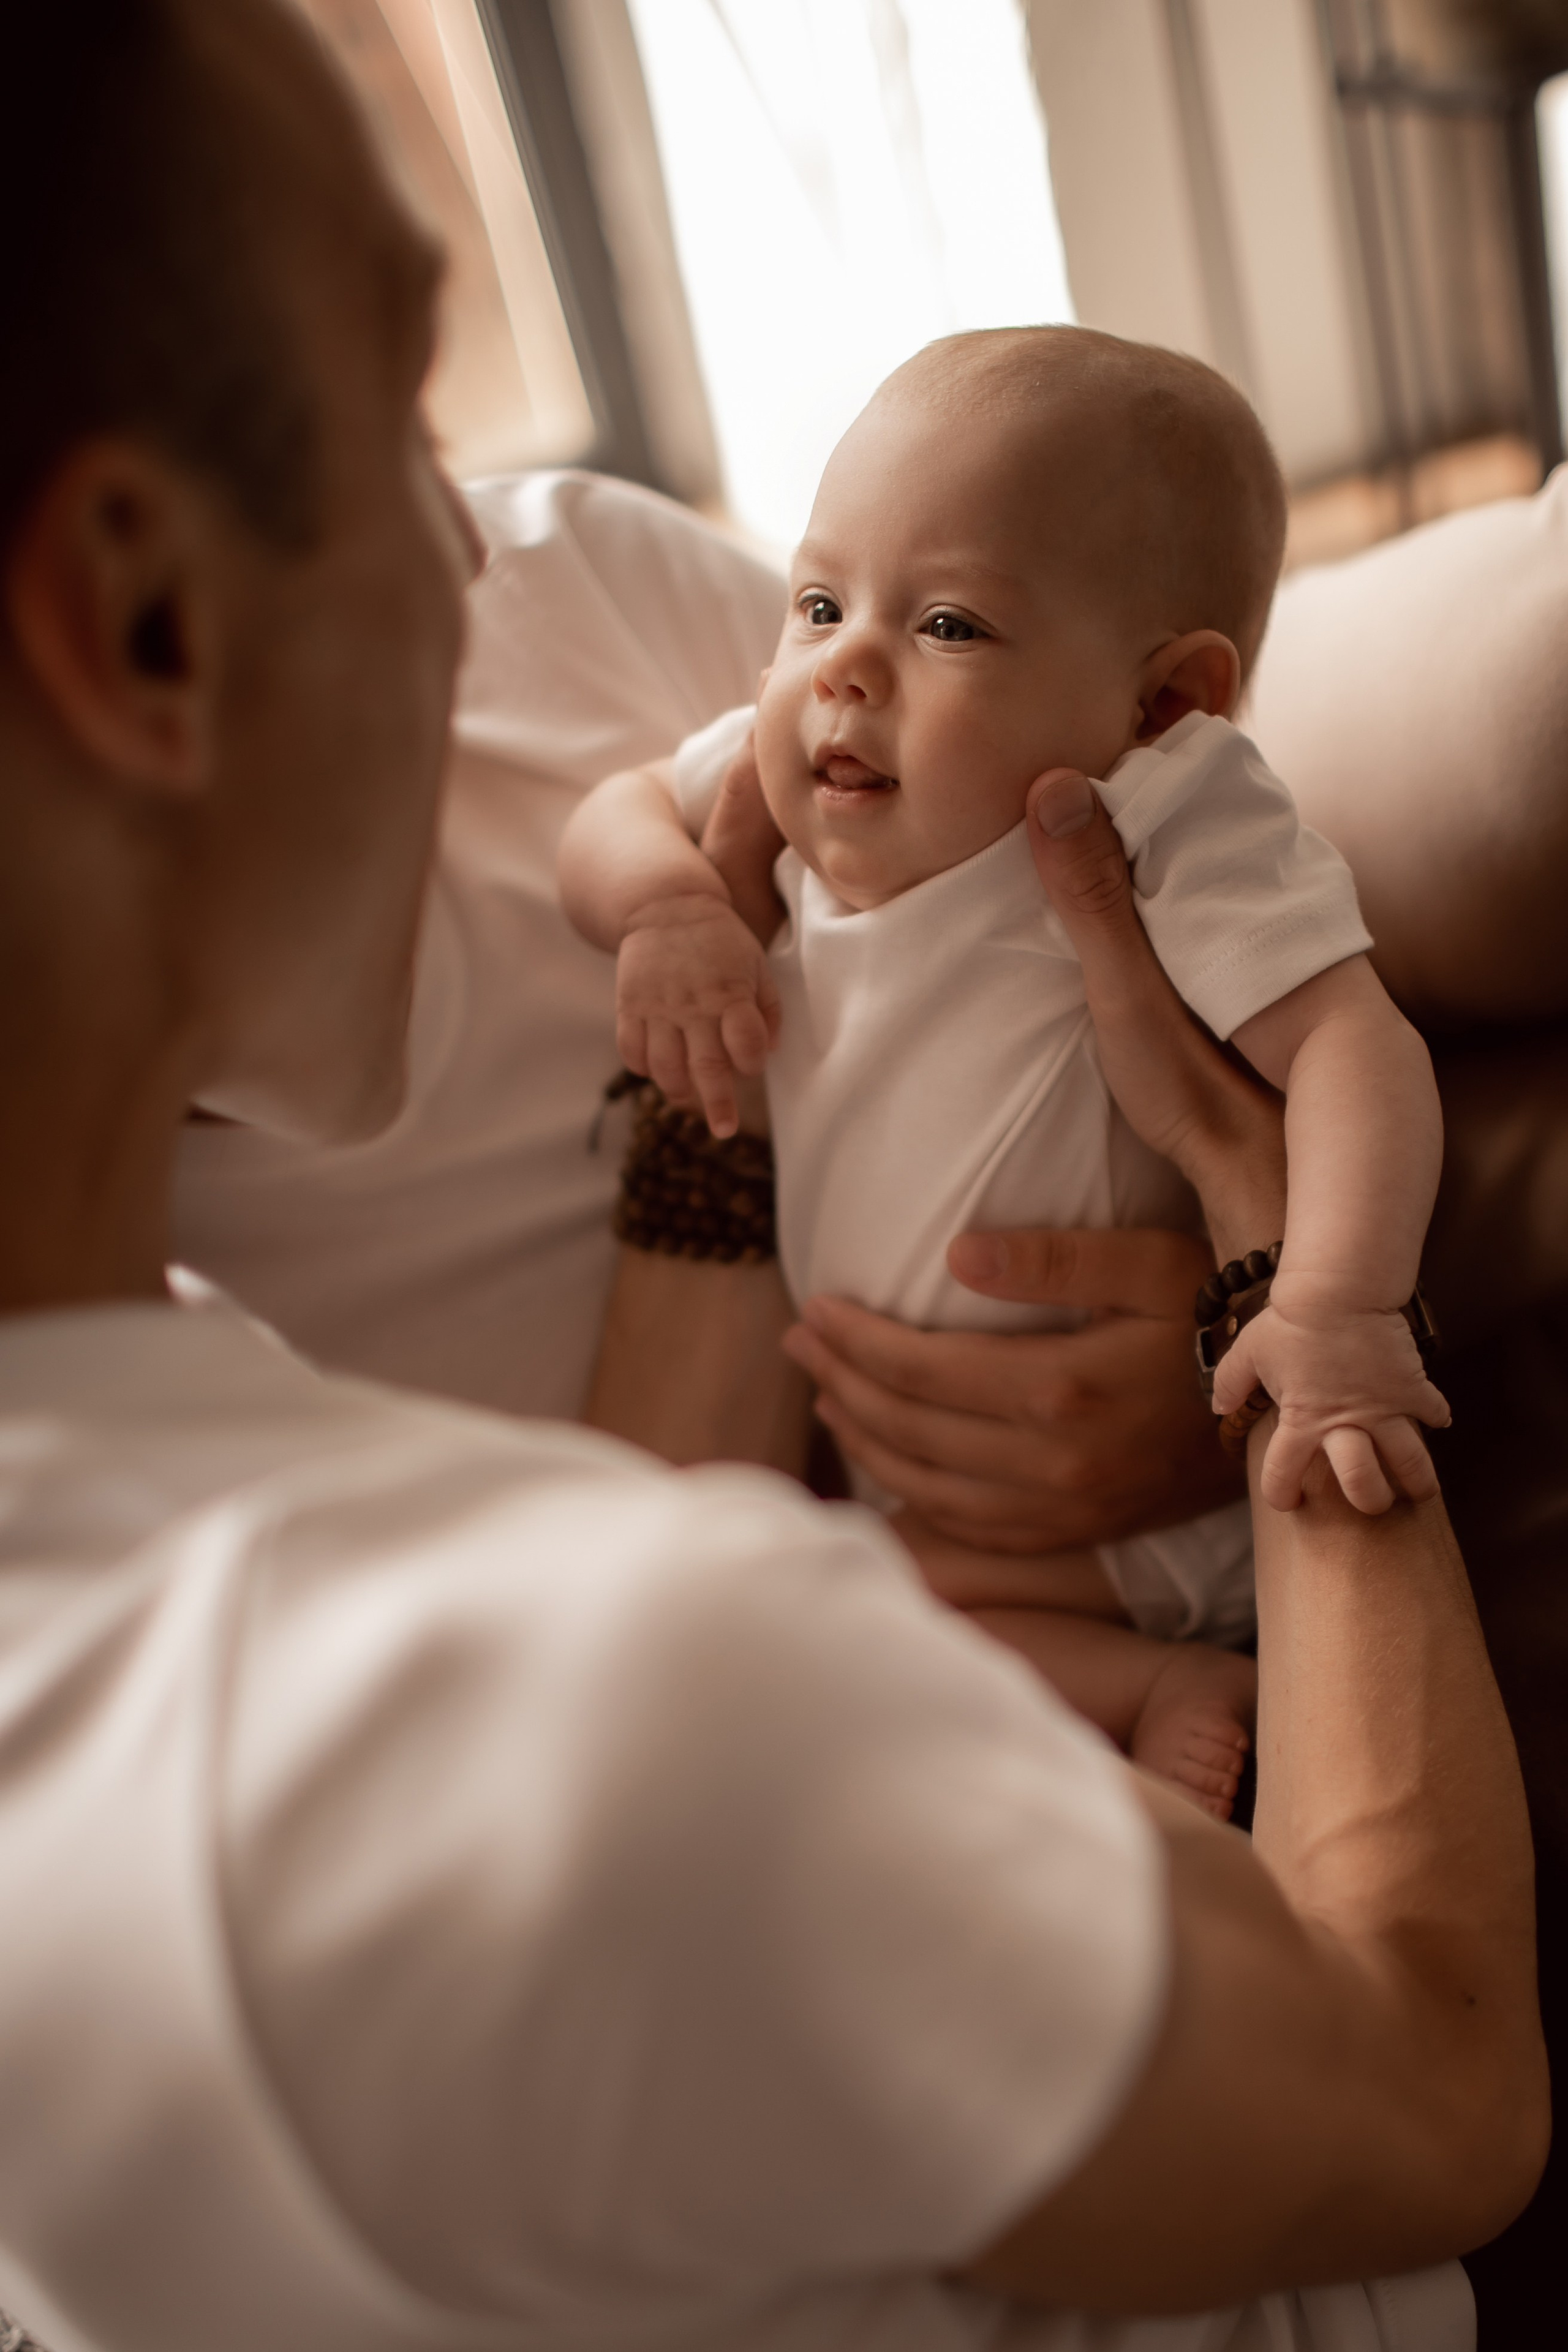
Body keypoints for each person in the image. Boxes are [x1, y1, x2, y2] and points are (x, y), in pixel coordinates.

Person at [0, 7, 1542, 2351]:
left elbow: (1072, 772)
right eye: (414, 408)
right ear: (139, 619)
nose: (478, 544)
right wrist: (1268, 1285)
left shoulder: (162, 1511)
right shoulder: (576, 1705)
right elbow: (1440, 2084)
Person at [557, 328, 1447, 1813]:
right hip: (955, 1504)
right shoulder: (795, 787)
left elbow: (1355, 1046)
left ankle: (1161, 1684)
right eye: (819, 600)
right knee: (815, 1606)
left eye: (949, 625)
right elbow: (616, 807)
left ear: (1163, 703)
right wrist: (660, 907)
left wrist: (1337, 1305)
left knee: (841, 1605)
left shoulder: (1156, 814)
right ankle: (1118, 1735)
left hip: (1146, 1485)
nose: (842, 663)